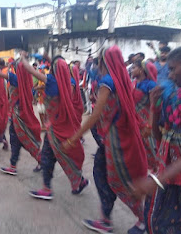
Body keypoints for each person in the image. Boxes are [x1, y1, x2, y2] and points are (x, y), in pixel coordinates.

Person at [63, 46, 148, 234]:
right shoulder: (122, 79)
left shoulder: (108, 82)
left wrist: (73, 138)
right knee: (102, 173)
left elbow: (94, 116)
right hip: (118, 135)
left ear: (103, 62)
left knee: (118, 179)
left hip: (115, 139)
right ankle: (106, 218)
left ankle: (144, 220)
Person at [132, 46, 181, 234]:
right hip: (172, 176)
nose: (171, 75)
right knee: (158, 224)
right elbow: (161, 139)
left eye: (174, 69)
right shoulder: (178, 96)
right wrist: (155, 109)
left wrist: (157, 180)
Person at [22, 54, 89, 200]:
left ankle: (47, 188)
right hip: (62, 125)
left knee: (47, 156)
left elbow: (30, 70)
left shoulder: (52, 81)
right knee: (59, 156)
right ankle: (79, 181)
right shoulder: (69, 82)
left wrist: (22, 58)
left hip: (54, 128)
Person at [0, 58, 42, 176]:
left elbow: (0, 73)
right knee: (17, 140)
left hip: (19, 116)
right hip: (20, 115)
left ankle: (41, 161)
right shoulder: (27, 79)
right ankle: (14, 166)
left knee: (25, 139)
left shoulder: (16, 79)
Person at [131, 60, 158, 171]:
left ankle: (156, 171)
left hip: (146, 121)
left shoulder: (150, 85)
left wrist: (149, 125)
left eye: (133, 68)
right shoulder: (135, 83)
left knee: (150, 147)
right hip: (136, 121)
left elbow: (153, 106)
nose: (131, 70)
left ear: (141, 69)